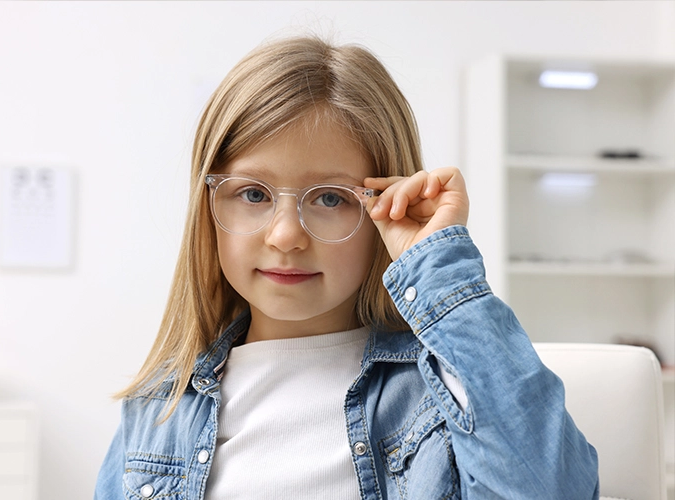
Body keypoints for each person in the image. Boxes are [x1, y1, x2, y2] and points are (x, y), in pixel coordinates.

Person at [94, 35, 599, 500]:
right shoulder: (157, 410)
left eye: (331, 199)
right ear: (209, 208)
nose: (285, 236)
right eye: (253, 194)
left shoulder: (442, 395)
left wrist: (438, 263)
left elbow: (553, 488)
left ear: (385, 205)